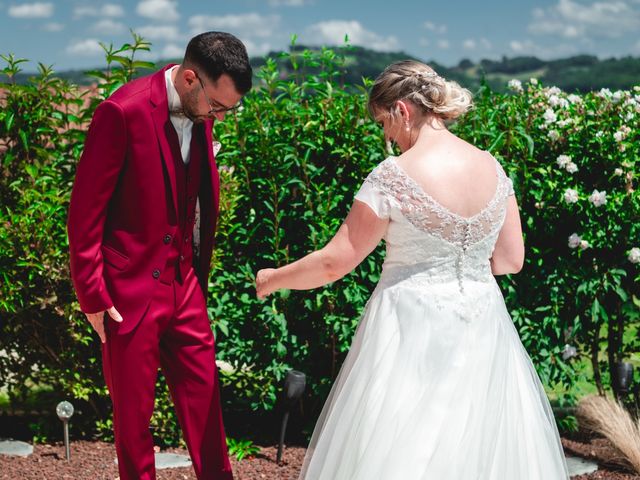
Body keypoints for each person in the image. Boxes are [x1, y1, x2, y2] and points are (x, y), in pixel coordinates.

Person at [255, 60, 569, 479]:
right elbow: (511, 261)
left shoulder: (394, 176)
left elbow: (336, 261)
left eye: (384, 122)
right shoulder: (492, 168)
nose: (386, 136)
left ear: (402, 110)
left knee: (402, 450)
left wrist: (273, 278)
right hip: (484, 327)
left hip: (409, 331)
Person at [67, 31, 252, 480]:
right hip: (128, 292)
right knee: (133, 417)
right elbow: (85, 212)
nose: (221, 117)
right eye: (218, 106)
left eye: (231, 109)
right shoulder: (122, 112)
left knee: (205, 400)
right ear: (190, 79)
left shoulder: (202, 110)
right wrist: (92, 295)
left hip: (185, 285)